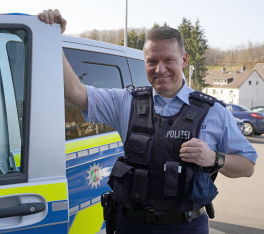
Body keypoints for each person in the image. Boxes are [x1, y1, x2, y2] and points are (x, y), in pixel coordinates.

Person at [38, 9, 257, 234]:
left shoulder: (213, 111)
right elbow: (76, 92)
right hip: (132, 225)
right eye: (152, 61)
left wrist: (213, 158)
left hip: (185, 226)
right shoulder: (125, 102)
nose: (159, 69)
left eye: (168, 60)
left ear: (183, 59)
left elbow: (247, 165)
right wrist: (53, 39)